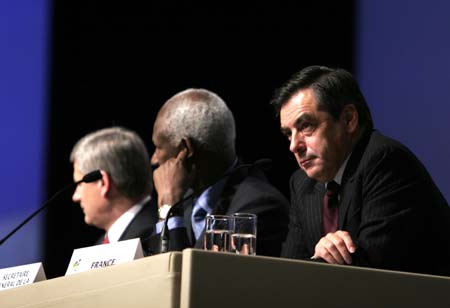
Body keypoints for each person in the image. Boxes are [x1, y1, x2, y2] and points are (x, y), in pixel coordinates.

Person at [270, 65, 450, 276]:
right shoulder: (302, 183)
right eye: (288, 134)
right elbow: (288, 273)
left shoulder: (385, 161)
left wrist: (319, 260)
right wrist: (317, 258)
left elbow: (373, 271)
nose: (294, 146)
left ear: (348, 119)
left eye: (306, 126)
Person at [147, 88, 289, 256]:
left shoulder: (258, 206)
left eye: (158, 147)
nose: (154, 159)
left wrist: (168, 205)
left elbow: (179, 278)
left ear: (186, 149)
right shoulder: (184, 202)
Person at [70, 126, 158, 251]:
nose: (75, 197)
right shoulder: (101, 245)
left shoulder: (154, 238)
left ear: (103, 183)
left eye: (79, 184)